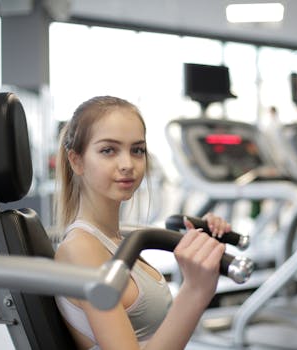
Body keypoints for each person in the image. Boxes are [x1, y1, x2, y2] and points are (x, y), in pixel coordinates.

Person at [53, 95, 232, 350]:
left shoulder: (120, 238)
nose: (128, 164)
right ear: (76, 160)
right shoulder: (81, 248)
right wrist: (195, 291)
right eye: (108, 150)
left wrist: (203, 252)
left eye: (137, 150)